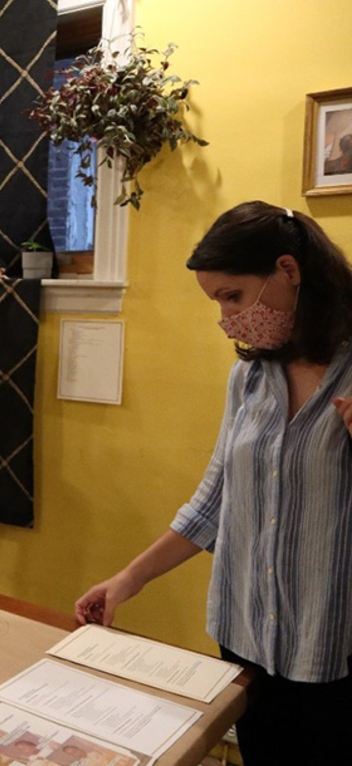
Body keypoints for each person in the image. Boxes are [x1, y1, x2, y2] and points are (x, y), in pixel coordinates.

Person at [75, 201, 352, 764]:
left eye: (233, 296)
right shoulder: (249, 377)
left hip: (332, 644)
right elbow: (214, 501)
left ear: (288, 270)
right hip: (246, 636)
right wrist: (127, 581)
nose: (227, 317)